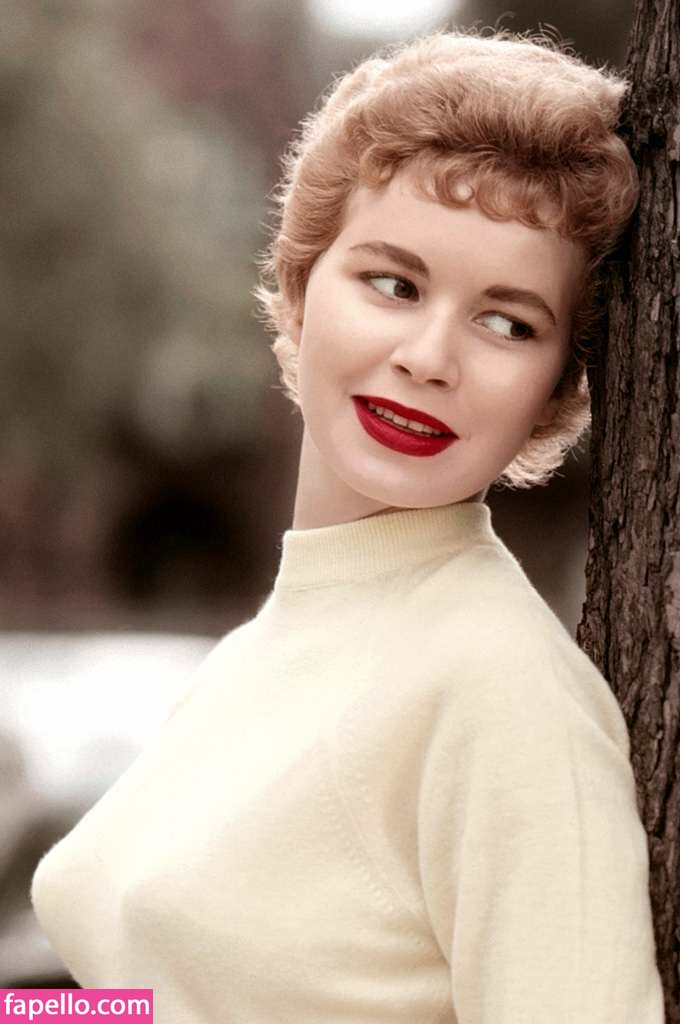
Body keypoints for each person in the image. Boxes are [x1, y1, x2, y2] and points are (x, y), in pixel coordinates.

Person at [31, 26, 664, 1023]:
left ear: (554, 390)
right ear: (299, 286)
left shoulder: (504, 694)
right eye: (393, 283)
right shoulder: (266, 647)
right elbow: (157, 998)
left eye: (507, 322)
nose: (428, 357)